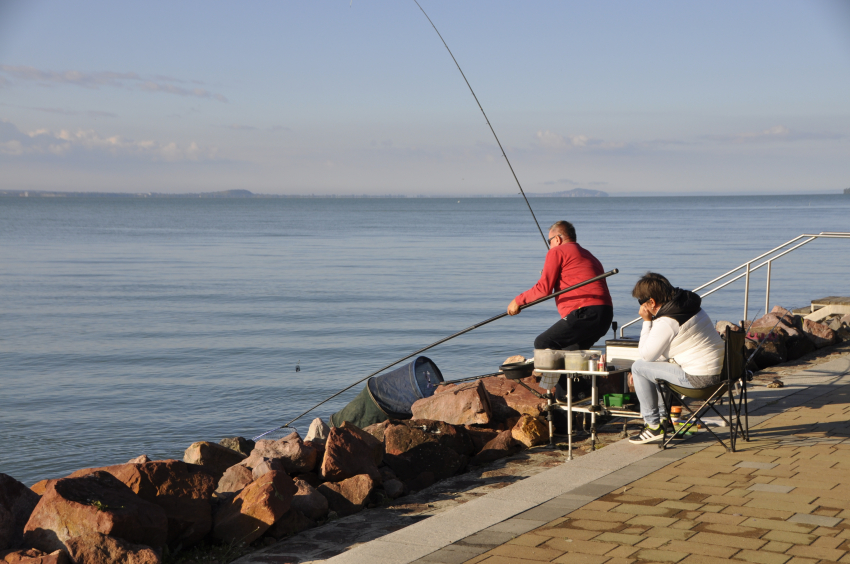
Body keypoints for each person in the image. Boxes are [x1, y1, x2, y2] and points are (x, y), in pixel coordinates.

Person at [507, 221, 613, 390]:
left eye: (550, 241)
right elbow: (576, 278)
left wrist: (518, 301)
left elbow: (543, 289)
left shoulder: (557, 251)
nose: (549, 246)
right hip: (605, 314)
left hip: (585, 312)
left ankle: (569, 396)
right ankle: (570, 400)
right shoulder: (588, 255)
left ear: (556, 238)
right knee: (567, 356)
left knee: (543, 343)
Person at [627, 272, 725, 444]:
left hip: (701, 382)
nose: (641, 306)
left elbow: (646, 355)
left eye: (641, 301)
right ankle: (666, 422)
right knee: (656, 366)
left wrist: (646, 321)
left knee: (638, 367)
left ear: (652, 302)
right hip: (723, 376)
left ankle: (653, 425)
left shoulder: (667, 321)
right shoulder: (689, 306)